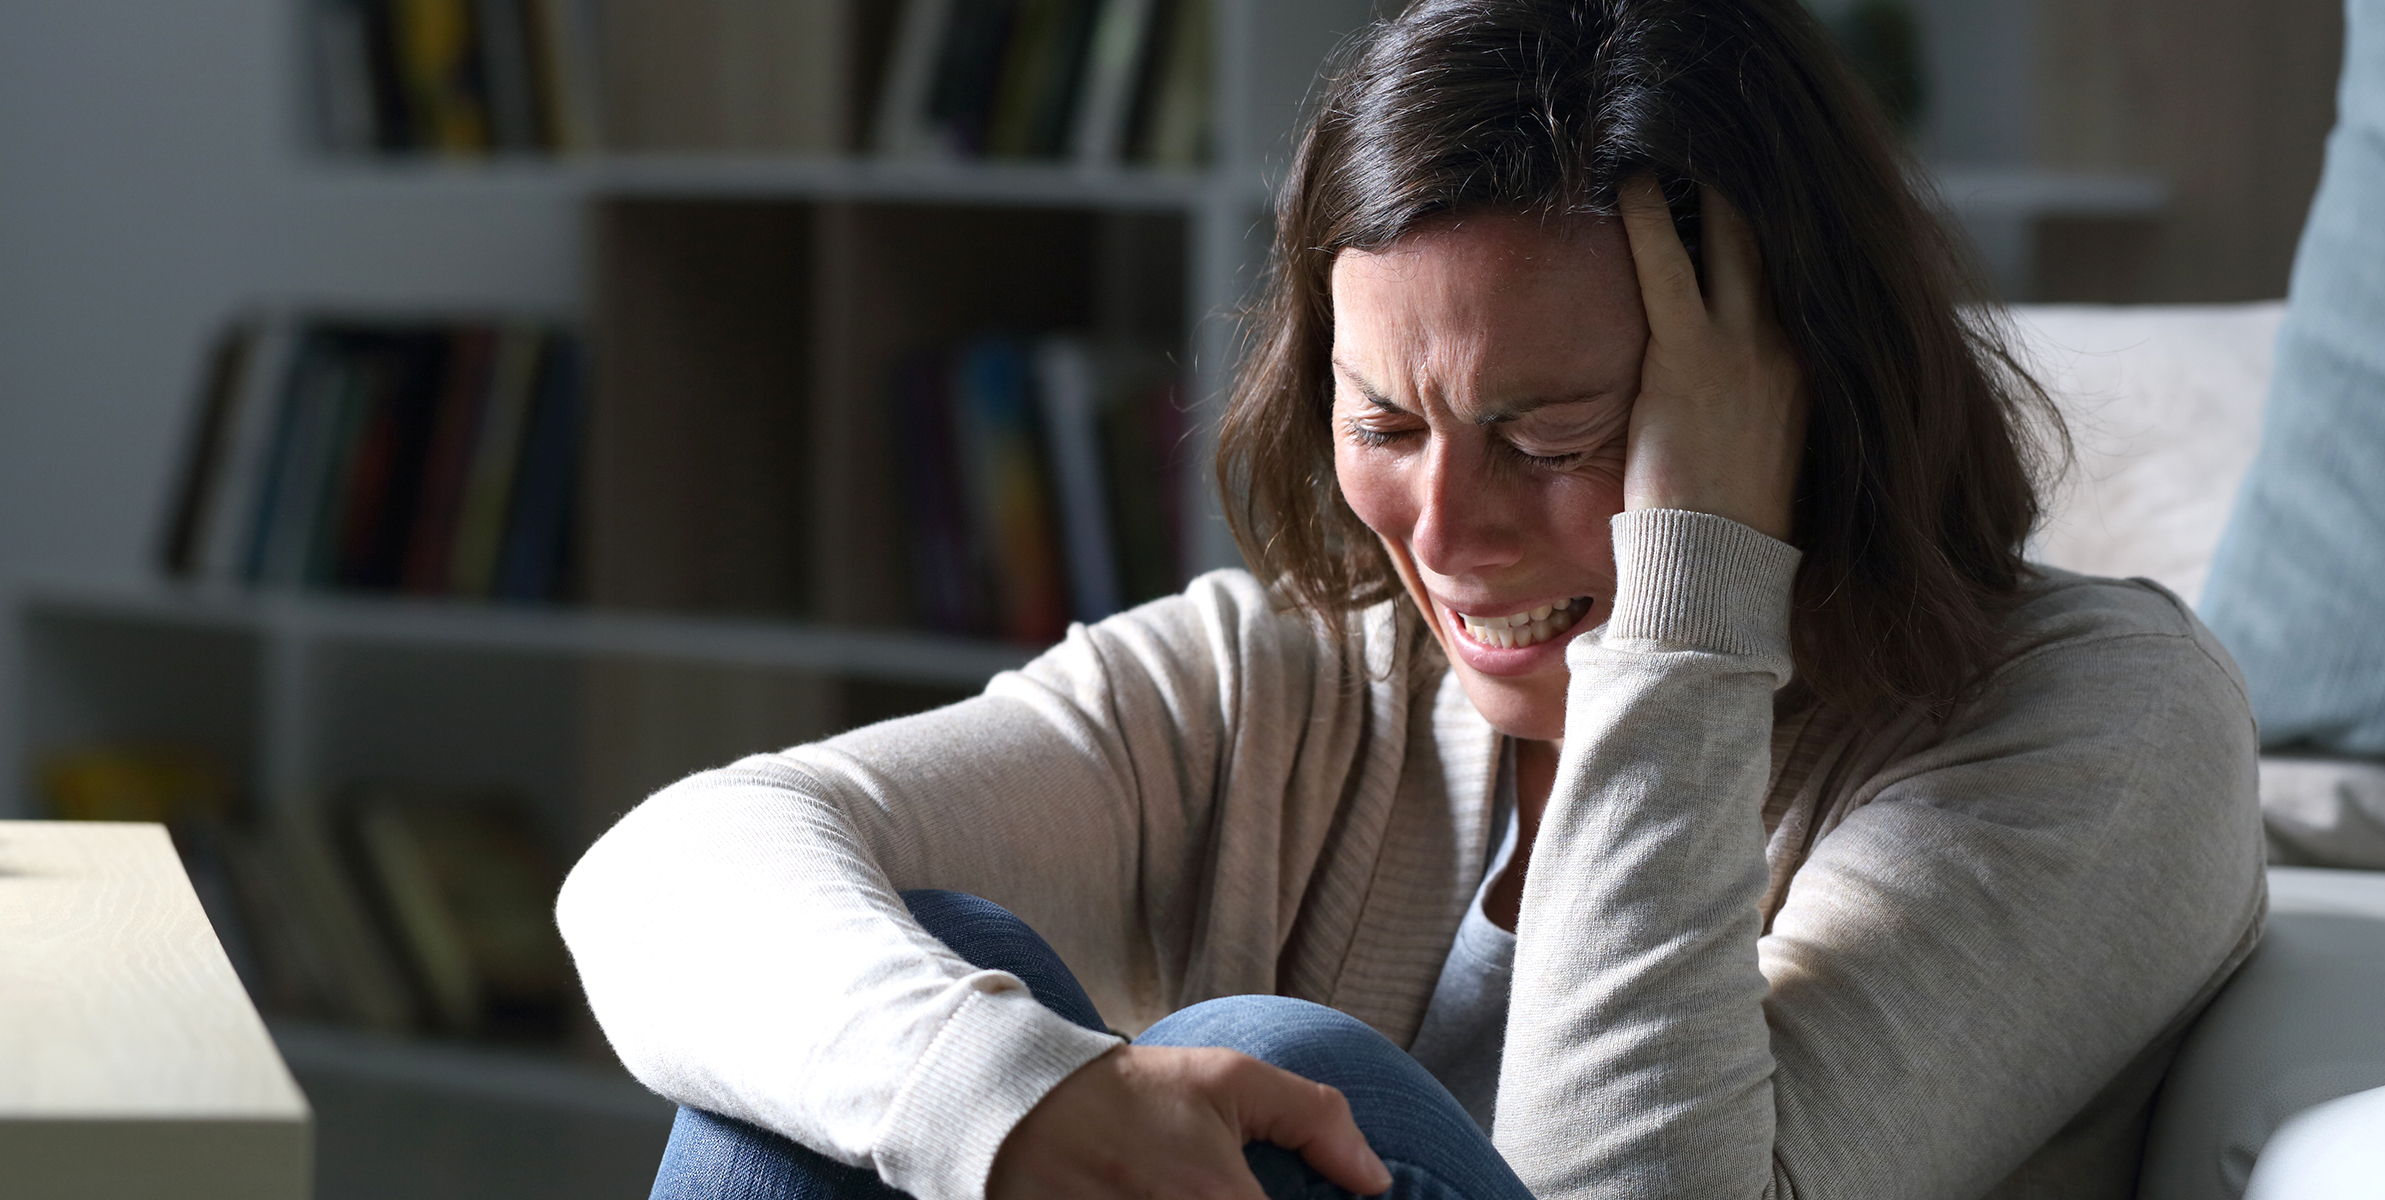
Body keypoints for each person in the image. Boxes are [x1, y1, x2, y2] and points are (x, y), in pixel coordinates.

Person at [558, 1, 2266, 1197]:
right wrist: (1005, 1101)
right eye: (1385, 424)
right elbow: (666, 872)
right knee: (894, 1000)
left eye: (1555, 435)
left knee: (1266, 1062)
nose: (1443, 528)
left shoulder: (2096, 720)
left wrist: (1688, 606)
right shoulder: (1302, 681)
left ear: (1785, 402)